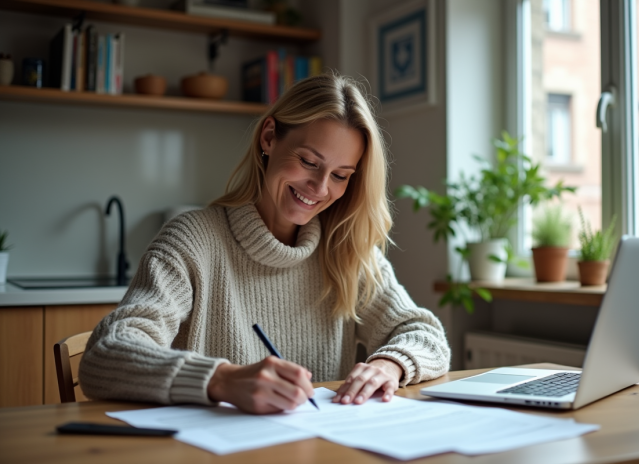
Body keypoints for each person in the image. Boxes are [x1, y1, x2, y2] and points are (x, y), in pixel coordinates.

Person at [79, 73, 451, 414]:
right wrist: (220, 380)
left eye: (340, 175)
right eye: (308, 161)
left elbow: (427, 336)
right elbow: (104, 356)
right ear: (269, 137)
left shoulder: (347, 252)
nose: (320, 189)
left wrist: (390, 364)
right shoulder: (192, 242)